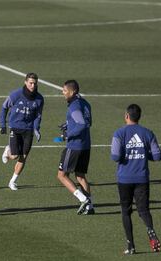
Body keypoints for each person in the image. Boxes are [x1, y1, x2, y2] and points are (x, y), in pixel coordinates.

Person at [111, 104, 161, 254]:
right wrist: (143, 154)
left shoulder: (119, 133)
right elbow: (158, 156)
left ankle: (131, 246)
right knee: (144, 210)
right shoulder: (148, 133)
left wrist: (125, 154)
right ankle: (151, 231)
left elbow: (115, 156)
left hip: (124, 178)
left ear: (127, 116)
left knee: (126, 212)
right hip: (142, 178)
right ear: (139, 117)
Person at [0, 73, 44, 191]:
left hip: (28, 130)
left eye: (35, 83)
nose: (32, 85)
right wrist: (2, 124)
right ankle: (8, 150)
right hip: (15, 127)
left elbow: (38, 116)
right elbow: (4, 107)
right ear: (25, 82)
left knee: (23, 156)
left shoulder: (39, 99)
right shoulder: (15, 95)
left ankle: (12, 181)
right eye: (30, 83)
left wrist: (36, 129)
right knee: (14, 156)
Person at [57, 80, 94, 215]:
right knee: (80, 176)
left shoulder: (73, 106)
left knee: (61, 175)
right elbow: (88, 122)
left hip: (74, 146)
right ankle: (90, 207)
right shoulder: (86, 104)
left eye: (64, 90)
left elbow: (82, 124)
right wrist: (68, 124)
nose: (63, 92)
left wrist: (67, 135)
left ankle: (83, 199)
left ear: (72, 92)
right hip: (86, 145)